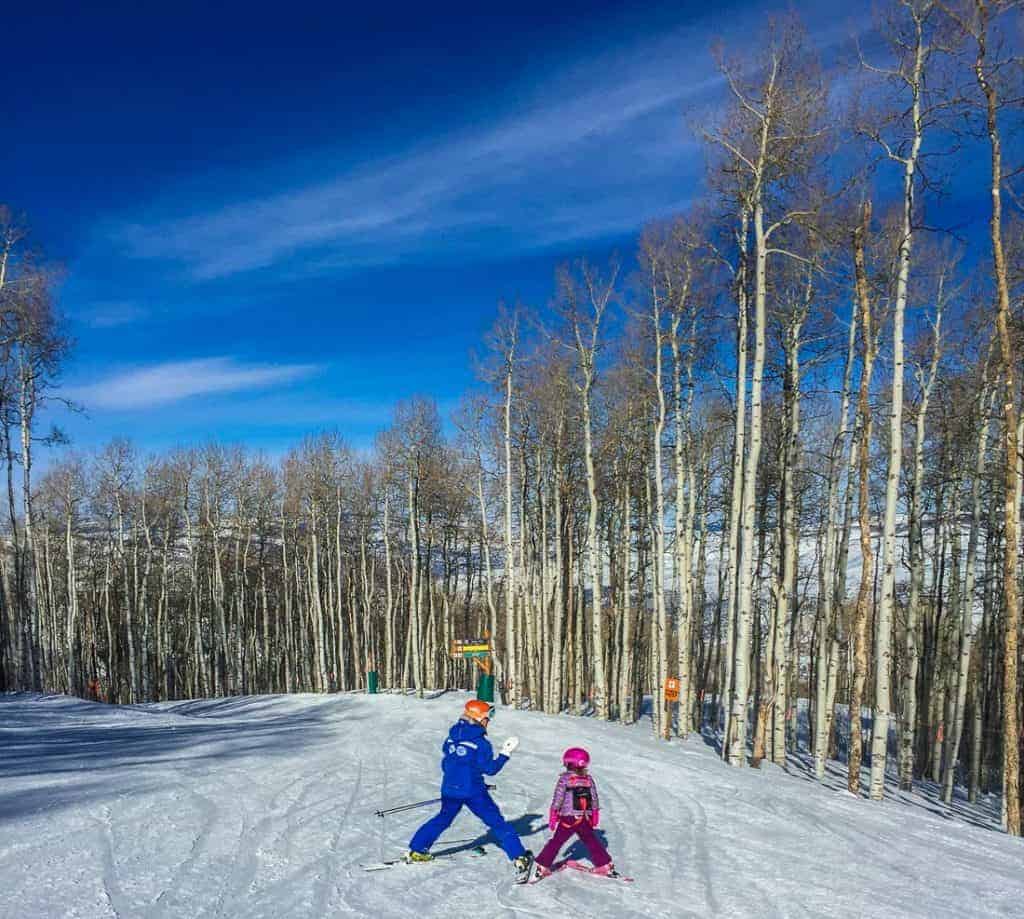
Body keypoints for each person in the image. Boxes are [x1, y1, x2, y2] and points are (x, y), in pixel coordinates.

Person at [407, 699, 533, 881]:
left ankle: (417, 850)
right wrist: (505, 753)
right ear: (479, 718)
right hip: (473, 792)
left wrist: (461, 780)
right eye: (488, 717)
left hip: (450, 789)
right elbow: (491, 769)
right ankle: (520, 858)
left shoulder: (451, 737)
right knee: (497, 823)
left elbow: (448, 763)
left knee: (442, 819)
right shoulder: (481, 743)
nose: (489, 721)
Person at [534, 747, 617, 878]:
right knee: (591, 840)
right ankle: (605, 865)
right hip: (584, 817)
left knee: (557, 841)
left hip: (568, 818)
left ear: (568, 763)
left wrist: (553, 813)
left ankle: (543, 865)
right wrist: (594, 813)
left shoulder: (565, 779)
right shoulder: (588, 779)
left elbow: (558, 797)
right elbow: (594, 797)